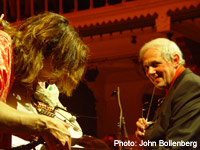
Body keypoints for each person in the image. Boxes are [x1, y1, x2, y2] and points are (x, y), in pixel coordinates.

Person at [0, 12, 89, 149]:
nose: (52, 81)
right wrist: (44, 124)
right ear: (44, 48)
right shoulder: (3, 44)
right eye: (57, 67)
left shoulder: (25, 78)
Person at [135, 38, 200, 149]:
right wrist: (147, 131)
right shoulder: (177, 87)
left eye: (155, 64)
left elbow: (178, 146)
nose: (150, 72)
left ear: (175, 60)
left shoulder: (190, 87)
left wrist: (146, 141)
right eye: (146, 67)